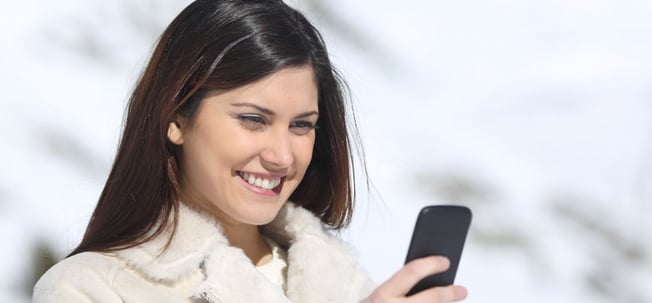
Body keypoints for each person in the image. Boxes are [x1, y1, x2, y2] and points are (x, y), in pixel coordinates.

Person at [33, 0, 468, 302]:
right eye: (253, 120)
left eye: (302, 125)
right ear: (176, 118)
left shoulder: (341, 280)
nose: (282, 155)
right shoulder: (89, 289)